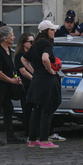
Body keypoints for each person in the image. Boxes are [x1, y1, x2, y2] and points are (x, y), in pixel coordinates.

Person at [21, 20, 62, 149]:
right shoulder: (46, 44)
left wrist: (34, 71)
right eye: (52, 29)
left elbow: (24, 59)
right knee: (47, 109)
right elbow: (45, 58)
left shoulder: (35, 44)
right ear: (45, 31)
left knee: (37, 110)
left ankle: (33, 139)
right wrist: (50, 70)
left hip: (37, 79)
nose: (54, 31)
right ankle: (44, 140)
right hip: (47, 80)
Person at [0, 27, 26, 145]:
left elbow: (10, 67)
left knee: (8, 109)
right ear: (5, 38)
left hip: (7, 86)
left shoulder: (9, 51)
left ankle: (10, 136)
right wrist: (11, 80)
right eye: (11, 35)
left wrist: (15, 77)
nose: (14, 37)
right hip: (2, 85)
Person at [14, 33, 35, 137]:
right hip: (25, 85)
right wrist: (34, 79)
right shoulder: (19, 55)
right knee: (27, 110)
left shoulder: (33, 54)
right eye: (30, 42)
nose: (32, 44)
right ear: (24, 43)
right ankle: (28, 132)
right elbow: (23, 71)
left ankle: (36, 131)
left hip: (34, 85)